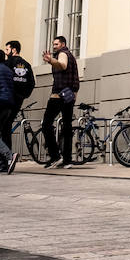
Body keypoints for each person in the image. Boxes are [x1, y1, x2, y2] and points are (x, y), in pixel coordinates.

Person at [41, 35, 80, 168]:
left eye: (56, 44)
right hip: (69, 96)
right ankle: (67, 160)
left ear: (63, 44)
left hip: (59, 95)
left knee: (46, 124)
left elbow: (62, 66)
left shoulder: (63, 54)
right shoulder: (71, 57)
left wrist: (51, 60)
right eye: (53, 44)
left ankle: (55, 156)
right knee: (67, 127)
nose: (54, 46)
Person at [3, 39, 36, 142]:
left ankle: (6, 154)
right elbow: (32, 82)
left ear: (14, 50)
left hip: (7, 98)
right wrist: (24, 95)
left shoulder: (7, 63)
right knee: (8, 123)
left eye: (7, 49)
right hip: (18, 99)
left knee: (4, 125)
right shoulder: (27, 64)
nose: (5, 52)